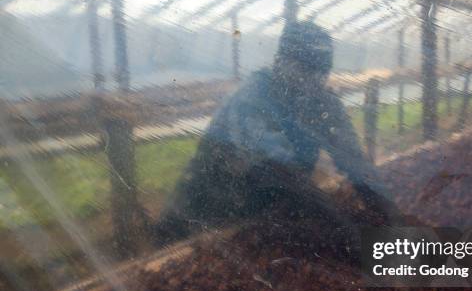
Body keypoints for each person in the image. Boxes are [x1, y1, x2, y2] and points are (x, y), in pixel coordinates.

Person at [156, 21, 410, 251]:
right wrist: (348, 233)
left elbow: (356, 162)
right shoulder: (252, 99)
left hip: (265, 212)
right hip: (205, 217)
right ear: (280, 62)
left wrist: (393, 219)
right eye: (305, 69)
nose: (314, 80)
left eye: (321, 72)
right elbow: (281, 173)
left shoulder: (322, 102)